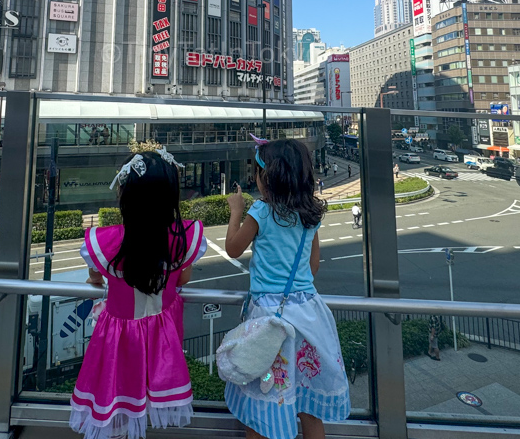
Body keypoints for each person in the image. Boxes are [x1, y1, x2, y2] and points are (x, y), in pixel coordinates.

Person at [69, 149, 206, 439]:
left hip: (118, 335)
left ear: (125, 194)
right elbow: (183, 277)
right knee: (150, 391)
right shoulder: (185, 236)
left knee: (115, 394)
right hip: (163, 332)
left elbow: (96, 277)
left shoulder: (107, 241)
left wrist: (97, 278)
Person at [224, 138, 350, 439]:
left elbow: (232, 248)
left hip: (270, 318)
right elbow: (313, 267)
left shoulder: (261, 211)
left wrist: (235, 210)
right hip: (309, 314)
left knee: (261, 406)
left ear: (267, 178)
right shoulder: (311, 215)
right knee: (309, 405)